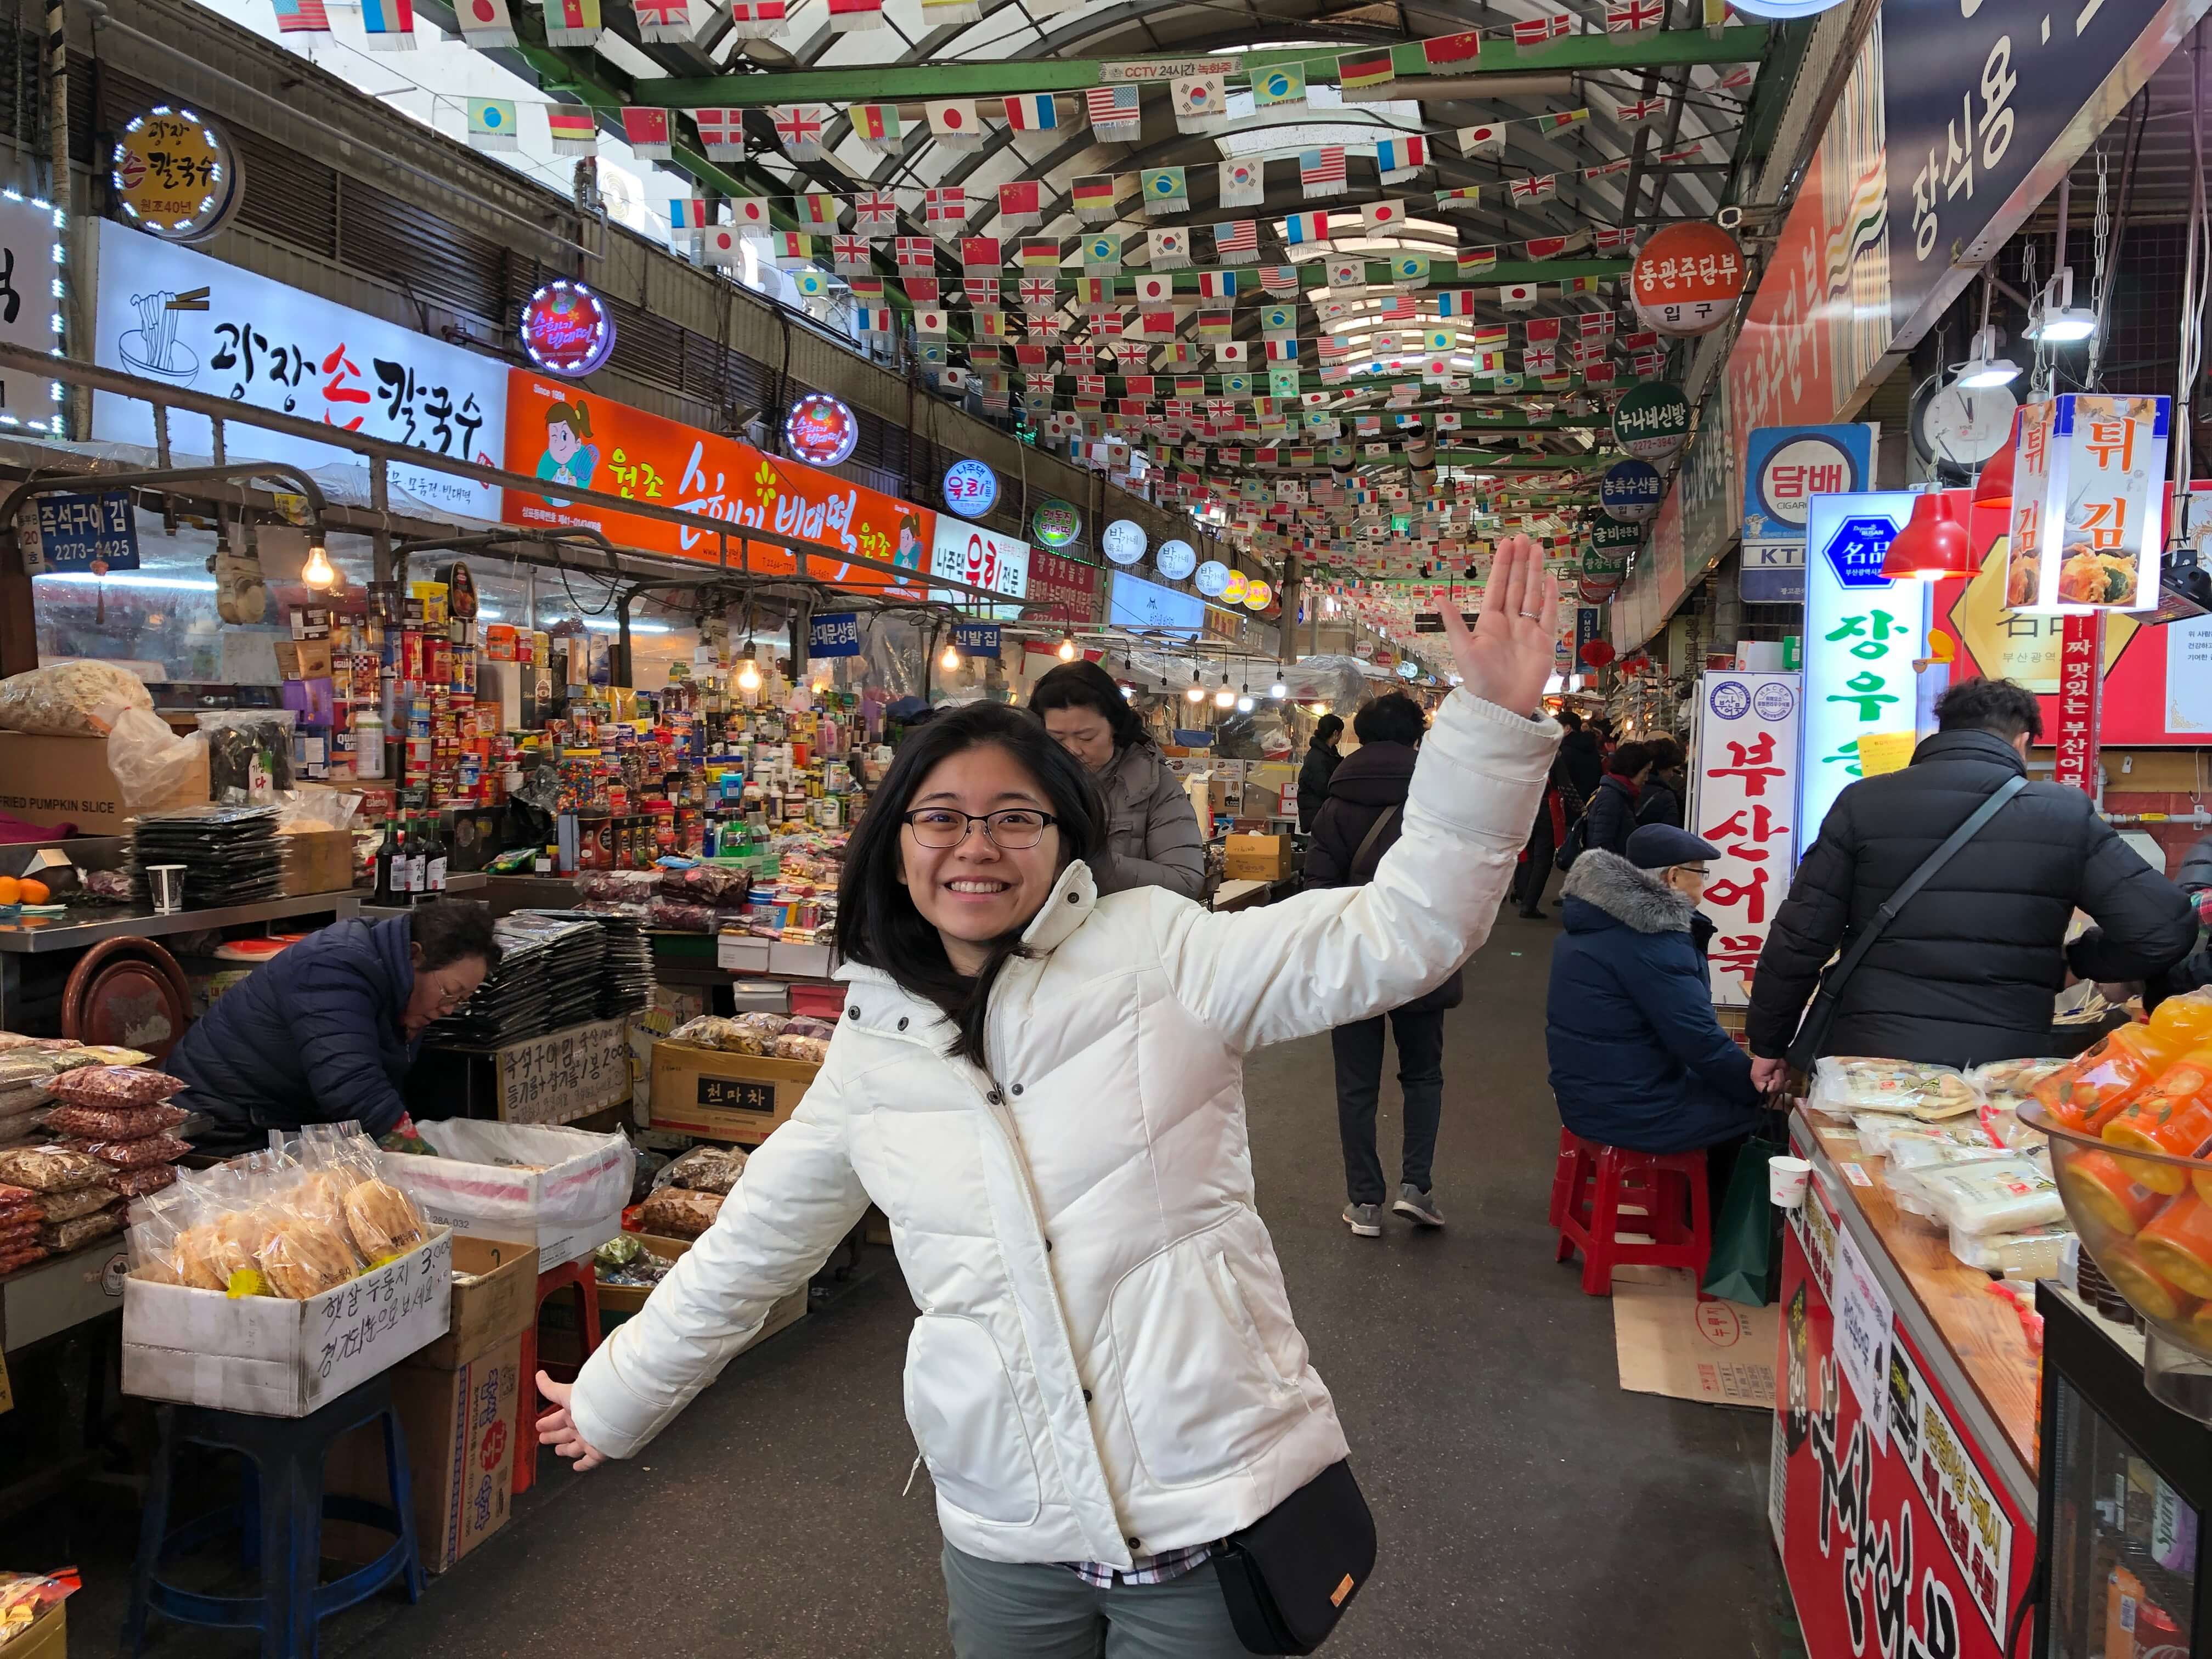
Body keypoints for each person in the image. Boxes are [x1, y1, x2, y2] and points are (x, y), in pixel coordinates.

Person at [535, 539, 1563, 1658]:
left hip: (1206, 1510)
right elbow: (754, 1248)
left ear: (1066, 837)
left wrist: (1494, 725)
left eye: (1014, 816)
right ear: (895, 848)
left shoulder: (1163, 954)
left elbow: (1403, 932)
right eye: (941, 817)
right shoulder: (874, 1044)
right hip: (1004, 1534)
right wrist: (614, 1396)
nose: (976, 846)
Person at [1747, 677, 2197, 1081]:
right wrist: (2079, 962)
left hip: (1868, 1058)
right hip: (1998, 1067)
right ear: (2023, 742)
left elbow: (1800, 938)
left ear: (1942, 733)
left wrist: (1768, 1045)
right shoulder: (2063, 813)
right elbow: (2163, 929)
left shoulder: (1863, 802)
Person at [166, 900, 500, 1155]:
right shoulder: (337, 965)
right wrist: (422, 1161)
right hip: (218, 1127)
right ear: (415, 956)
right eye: (450, 993)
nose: (449, 1009)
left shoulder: (399, 984)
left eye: (463, 999)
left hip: (275, 1124)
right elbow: (350, 1083)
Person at [1305, 692, 1455, 1234]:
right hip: (1422, 953)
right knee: (1423, 1075)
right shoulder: (1438, 801)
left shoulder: (1336, 802)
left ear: (1359, 737)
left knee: (1356, 1084)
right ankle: (1418, 1187)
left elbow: (1316, 889)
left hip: (1355, 957)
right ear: (1418, 738)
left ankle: (1364, 1201)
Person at [1547, 825, 1771, 1161]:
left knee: (1722, 1089)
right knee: (1766, 1119)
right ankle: (1703, 1213)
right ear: (1675, 878)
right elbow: (1698, 1039)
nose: (1705, 883)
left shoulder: (1599, 919)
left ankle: (1692, 1208)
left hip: (1587, 1093)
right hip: (1631, 1109)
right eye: (1702, 872)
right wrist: (1757, 1089)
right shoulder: (1652, 940)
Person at [1030, 659, 1205, 899]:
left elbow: (1186, 882)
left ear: (1115, 727)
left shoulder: (1154, 786)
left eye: (1086, 737)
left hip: (1122, 933)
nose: (1072, 750)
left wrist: (1089, 863)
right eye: (1058, 739)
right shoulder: (1027, 782)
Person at [1578, 740, 1652, 861]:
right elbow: (1601, 845)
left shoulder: (1619, 793)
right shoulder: (1612, 797)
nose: (1647, 778)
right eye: (1645, 773)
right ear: (1633, 769)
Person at [1296, 712, 1345, 832]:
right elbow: (1323, 787)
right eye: (1341, 733)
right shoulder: (1318, 757)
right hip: (1317, 813)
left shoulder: (1328, 753)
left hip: (1321, 811)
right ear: (1335, 733)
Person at [1636, 737, 1687, 830]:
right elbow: (1671, 833)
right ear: (1661, 769)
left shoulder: (1629, 788)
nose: (1671, 775)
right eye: (1670, 769)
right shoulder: (1667, 797)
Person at [1558, 707, 1604, 804]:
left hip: (1573, 804)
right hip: (1591, 801)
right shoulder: (1590, 746)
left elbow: (1562, 781)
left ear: (1567, 728)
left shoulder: (1566, 751)